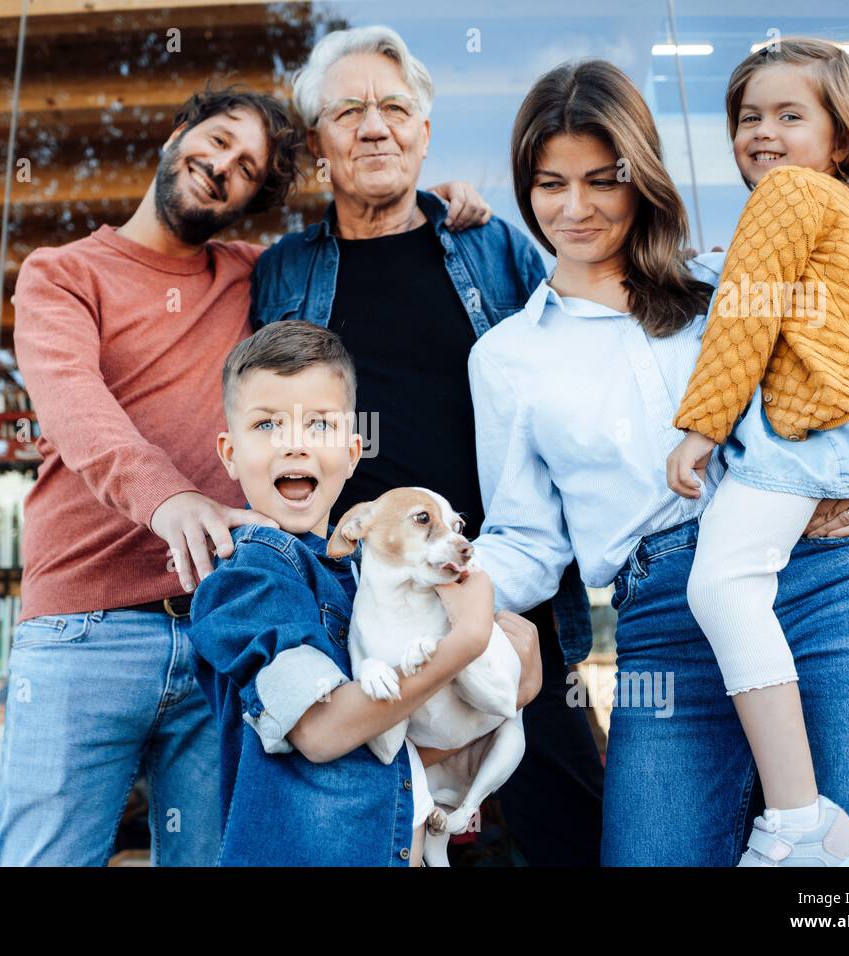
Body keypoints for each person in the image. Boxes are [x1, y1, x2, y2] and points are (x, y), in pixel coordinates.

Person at [0, 83, 495, 866]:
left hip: (219, 627)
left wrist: (429, 209)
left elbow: (363, 251)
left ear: (250, 199)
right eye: (218, 140)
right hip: (84, 627)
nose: (223, 165)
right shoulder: (61, 274)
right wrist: (170, 500)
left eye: (248, 167)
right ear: (177, 131)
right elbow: (73, 408)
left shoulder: (255, 275)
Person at [469, 59, 849, 866]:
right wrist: (433, 594)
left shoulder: (731, 282)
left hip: (837, 581)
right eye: (551, 184)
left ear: (642, 175)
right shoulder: (506, 357)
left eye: (602, 180)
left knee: (845, 892)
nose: (575, 209)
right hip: (667, 622)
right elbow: (526, 539)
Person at [250, 24, 604, 864]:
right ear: (319, 145)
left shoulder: (491, 246)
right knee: (391, 832)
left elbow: (574, 382)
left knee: (570, 827)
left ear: (423, 132)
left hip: (506, 591)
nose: (374, 126)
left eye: (394, 108)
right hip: (360, 612)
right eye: (348, 112)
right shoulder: (283, 271)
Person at [664, 37, 849, 865]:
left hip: (815, 439)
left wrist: (702, 428)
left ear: (842, 139)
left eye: (790, 115)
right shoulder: (831, 211)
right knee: (746, 587)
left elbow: (742, 329)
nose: (762, 131)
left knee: (721, 584)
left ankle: (802, 823)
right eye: (748, 116)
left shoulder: (790, 194)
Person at [187, 320, 541, 866]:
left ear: (354, 452)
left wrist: (505, 695)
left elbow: (388, 745)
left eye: (320, 425)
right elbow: (324, 732)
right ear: (229, 453)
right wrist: (466, 642)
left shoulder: (362, 575)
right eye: (266, 424)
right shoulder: (250, 577)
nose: (294, 443)